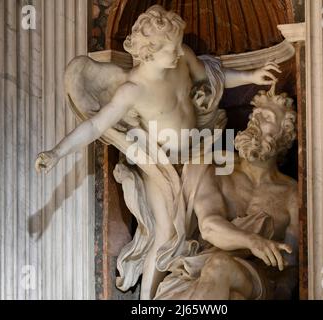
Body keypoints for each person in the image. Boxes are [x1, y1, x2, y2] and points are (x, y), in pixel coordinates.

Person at [34, 5, 281, 299]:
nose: (178, 54)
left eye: (178, 47)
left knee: (209, 220)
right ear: (150, 50)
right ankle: (148, 302)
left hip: (199, 150)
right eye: (171, 49)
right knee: (164, 236)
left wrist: (252, 76)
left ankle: (201, 281)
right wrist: (56, 152)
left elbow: (214, 79)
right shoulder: (132, 90)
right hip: (160, 166)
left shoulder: (183, 58)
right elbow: (95, 126)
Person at [155, 88, 299, 300]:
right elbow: (209, 226)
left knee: (220, 266)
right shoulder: (215, 169)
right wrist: (253, 241)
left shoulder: (291, 194)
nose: (256, 121)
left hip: (258, 280)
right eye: (255, 115)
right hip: (204, 270)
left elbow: (291, 265)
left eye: (266, 117)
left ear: (284, 134)